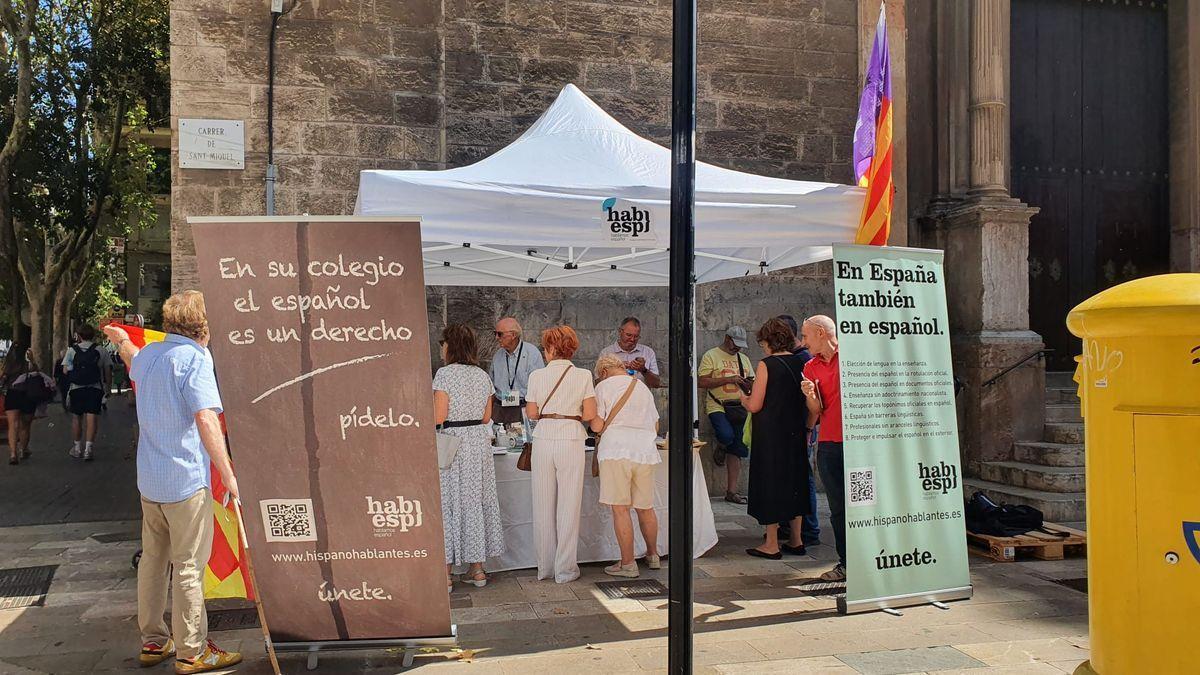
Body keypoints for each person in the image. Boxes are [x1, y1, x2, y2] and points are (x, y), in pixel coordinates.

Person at [104, 291, 242, 673]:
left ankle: (153, 639)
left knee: (152, 562)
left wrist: (123, 342)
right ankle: (193, 650)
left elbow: (133, 361)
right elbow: (206, 418)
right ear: (204, 324)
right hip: (185, 481)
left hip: (150, 480)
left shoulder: (152, 355)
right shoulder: (194, 360)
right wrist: (229, 473)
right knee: (187, 567)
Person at [434, 323, 505, 590]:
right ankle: (478, 571)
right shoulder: (481, 375)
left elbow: (439, 415)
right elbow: (487, 416)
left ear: (450, 345)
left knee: (450, 504)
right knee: (476, 502)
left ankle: (446, 575)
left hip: (453, 443)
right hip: (478, 443)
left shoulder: (444, 375)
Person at [525, 325, 597, 583]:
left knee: (542, 504)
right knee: (569, 505)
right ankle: (565, 569)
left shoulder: (536, 376)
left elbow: (532, 413)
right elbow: (589, 414)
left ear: (552, 348)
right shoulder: (584, 375)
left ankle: (544, 567)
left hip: (543, 436)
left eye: (545, 347)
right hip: (571, 436)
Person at [739, 318, 811, 559]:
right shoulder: (802, 362)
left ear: (769, 341)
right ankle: (796, 539)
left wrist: (743, 399)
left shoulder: (767, 365)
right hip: (796, 430)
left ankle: (771, 543)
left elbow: (756, 404)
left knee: (771, 482)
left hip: (771, 433)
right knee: (795, 482)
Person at [590, 354, 660, 578]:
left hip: (616, 451)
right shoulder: (641, 387)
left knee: (620, 508)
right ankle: (653, 555)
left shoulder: (602, 388)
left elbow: (597, 425)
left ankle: (628, 564)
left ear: (602, 372)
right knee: (645, 507)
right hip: (644, 451)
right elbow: (656, 424)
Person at [801, 314, 846, 582]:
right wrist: (810, 396)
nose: (803, 342)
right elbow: (817, 411)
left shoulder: (853, 356)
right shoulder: (810, 367)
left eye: (806, 336)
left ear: (820, 332)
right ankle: (846, 563)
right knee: (838, 508)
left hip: (860, 441)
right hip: (829, 443)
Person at [698, 326, 753, 505]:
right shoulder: (711, 355)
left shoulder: (743, 359)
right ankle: (722, 444)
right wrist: (729, 379)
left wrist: (747, 384)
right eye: (735, 344)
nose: (737, 348)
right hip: (718, 405)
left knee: (737, 450)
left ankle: (732, 491)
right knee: (725, 434)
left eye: (740, 346)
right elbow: (702, 381)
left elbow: (752, 381)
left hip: (739, 407)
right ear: (727, 338)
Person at [777, 315, 819, 548]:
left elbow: (813, 400)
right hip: (798, 427)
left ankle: (808, 530)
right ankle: (793, 527)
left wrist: (808, 429)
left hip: (804, 427)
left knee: (804, 478)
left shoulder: (804, 359)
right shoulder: (798, 358)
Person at [62, 324, 112, 461]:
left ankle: (77, 448)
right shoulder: (101, 350)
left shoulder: (72, 350)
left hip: (76, 388)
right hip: (94, 388)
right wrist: (108, 388)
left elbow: (66, 370)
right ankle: (88, 449)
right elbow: (107, 371)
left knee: (76, 418)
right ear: (93, 335)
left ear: (79, 336)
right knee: (92, 418)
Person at [1, 348, 55, 465]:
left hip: (12, 394)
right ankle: (23, 450)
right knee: (25, 425)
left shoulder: (8, 366)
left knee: (13, 425)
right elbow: (37, 373)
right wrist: (32, 359)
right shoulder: (29, 364)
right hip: (28, 395)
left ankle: (13, 454)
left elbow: (3, 379)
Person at [489, 317, 544, 426]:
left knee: (523, 442)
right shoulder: (497, 356)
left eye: (500, 334)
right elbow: (490, 386)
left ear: (513, 335)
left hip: (523, 408)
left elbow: (540, 386)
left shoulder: (532, 353)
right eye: (495, 333)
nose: (496, 337)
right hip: (500, 409)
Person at [599, 317, 661, 388]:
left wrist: (643, 370)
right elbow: (598, 383)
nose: (632, 339)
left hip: (640, 397)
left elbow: (656, 384)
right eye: (628, 335)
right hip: (614, 398)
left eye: (636, 336)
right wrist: (617, 369)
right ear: (620, 332)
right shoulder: (606, 353)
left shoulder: (648, 352)